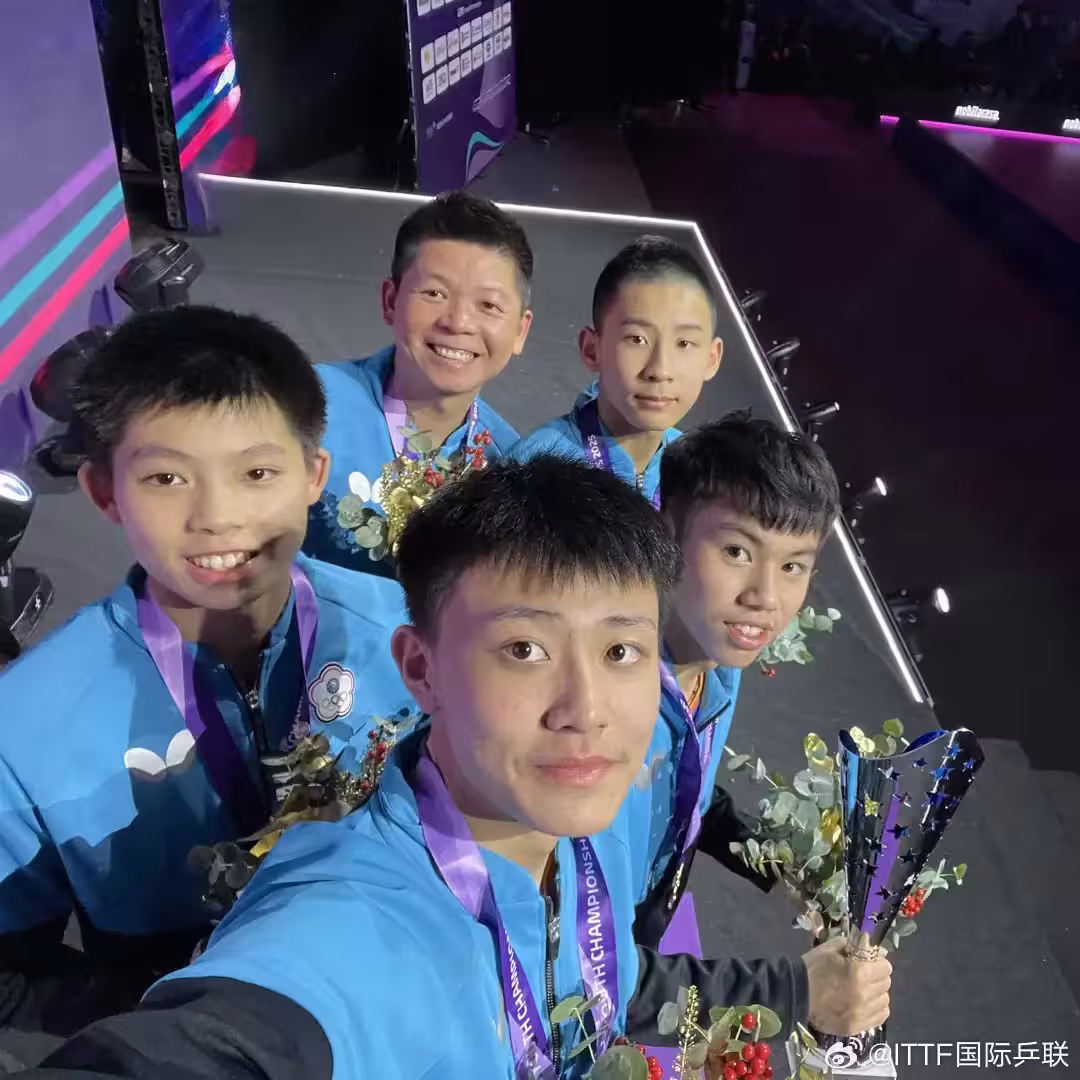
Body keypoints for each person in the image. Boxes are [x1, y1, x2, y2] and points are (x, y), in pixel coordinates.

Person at [25, 459, 890, 1080]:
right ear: (420, 667)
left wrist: (794, 991)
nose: (586, 707)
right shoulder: (353, 918)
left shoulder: (583, 822)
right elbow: (229, 1035)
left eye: (621, 650)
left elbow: (604, 985)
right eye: (524, 649)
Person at [0, 307, 412, 1043]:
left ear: (314, 475)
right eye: (166, 478)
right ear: (104, 492)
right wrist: (162, 1020)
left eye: (257, 472)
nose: (217, 517)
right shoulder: (26, 725)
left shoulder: (410, 639)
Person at [633, 415, 842, 949]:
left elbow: (687, 796)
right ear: (666, 534)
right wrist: (801, 988)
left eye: (793, 567)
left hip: (652, 920)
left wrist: (780, 868)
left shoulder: (718, 663)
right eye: (737, 553)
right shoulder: (601, 707)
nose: (764, 597)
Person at [303, 191, 534, 575]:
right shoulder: (306, 405)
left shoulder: (508, 467)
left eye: (489, 305)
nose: (458, 322)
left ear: (520, 331)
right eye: (434, 294)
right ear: (390, 301)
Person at [509, 236, 721, 505]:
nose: (660, 370)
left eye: (684, 343)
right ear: (591, 350)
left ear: (712, 359)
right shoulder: (531, 471)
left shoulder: (702, 475)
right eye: (637, 339)